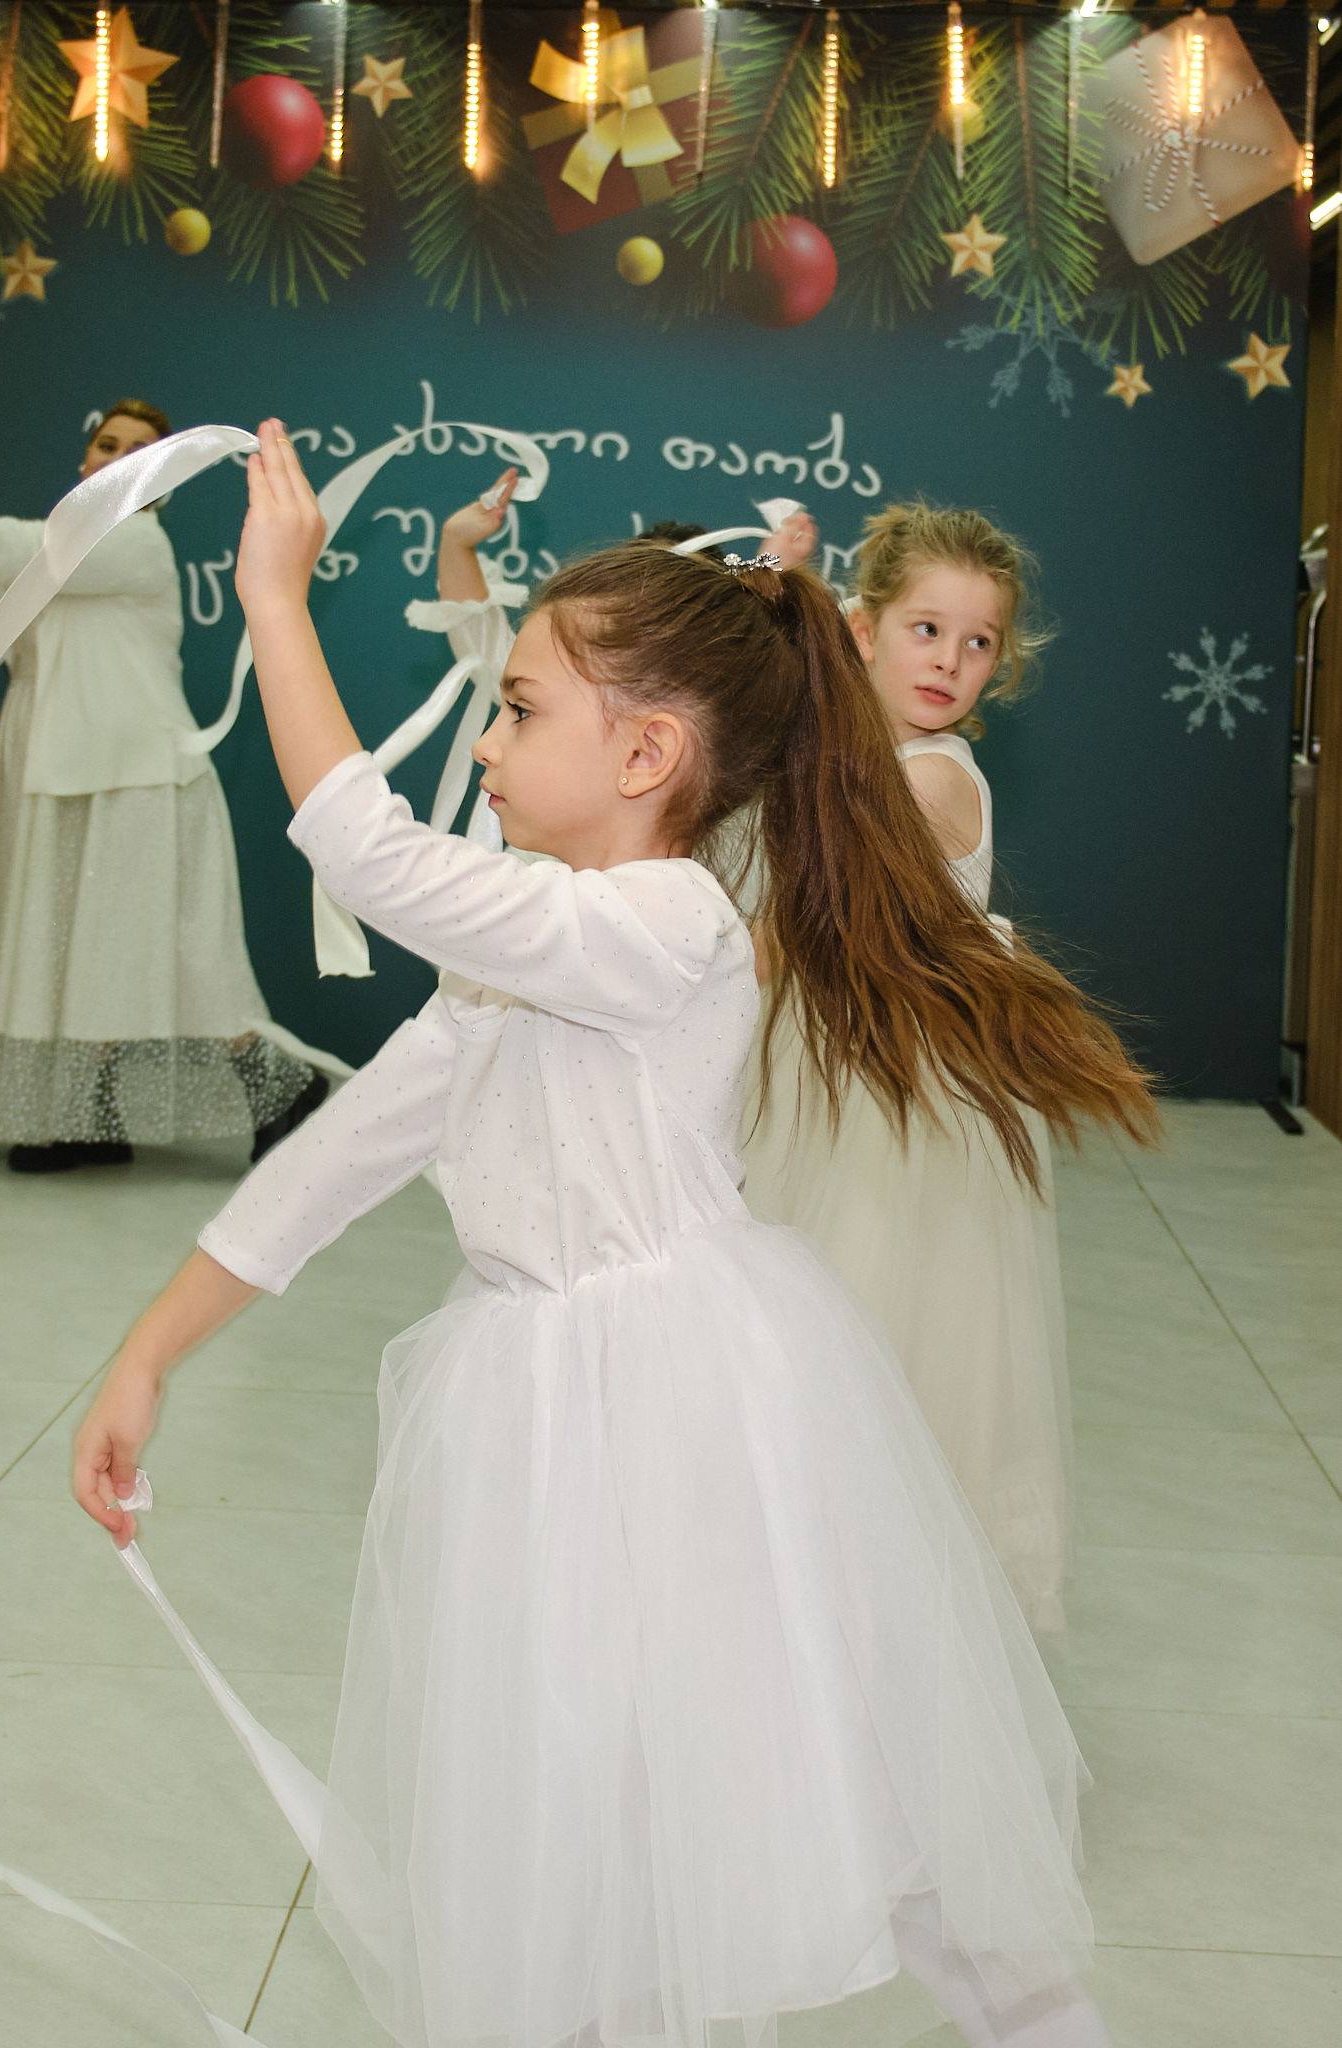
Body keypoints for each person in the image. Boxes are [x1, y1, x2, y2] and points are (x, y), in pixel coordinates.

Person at [69, 420, 1159, 2048]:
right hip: (536, 1421)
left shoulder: (662, 926)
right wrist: (148, 1351)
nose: (487, 742)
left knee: (824, 1764)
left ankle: (1033, 2017)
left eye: (518, 709)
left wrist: (278, 604)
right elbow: (330, 1164)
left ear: (647, 754)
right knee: (581, 1799)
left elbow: (370, 854)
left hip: (685, 1406)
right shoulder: (507, 972)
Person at [0, 400, 326, 1173]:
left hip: (140, 780)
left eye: (141, 451)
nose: (119, 457)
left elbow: (0, 549)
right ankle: (89, 1121)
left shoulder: (133, 546)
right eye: (107, 444)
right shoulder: (58, 560)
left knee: (171, 952)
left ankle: (283, 1088)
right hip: (55, 774)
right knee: (75, 955)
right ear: (85, 461)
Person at [739, 503, 1079, 1632]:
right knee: (789, 1336)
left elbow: (809, 878)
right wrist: (776, 589)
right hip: (819, 1078)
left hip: (899, 1117)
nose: (949, 661)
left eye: (978, 643)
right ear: (866, 628)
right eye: (926, 629)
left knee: (875, 1342)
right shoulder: (852, 747)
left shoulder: (934, 781)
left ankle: (865, 1608)